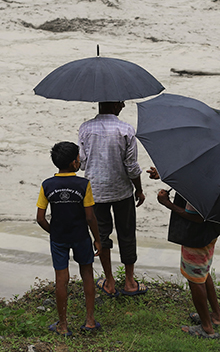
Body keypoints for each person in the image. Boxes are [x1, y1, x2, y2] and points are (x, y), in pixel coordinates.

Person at [149, 167, 220, 339]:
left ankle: (207, 328)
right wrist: (163, 176)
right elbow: (186, 178)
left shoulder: (198, 186)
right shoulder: (212, 174)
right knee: (203, 272)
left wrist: (167, 203)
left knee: (195, 279)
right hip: (209, 233)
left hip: (196, 237)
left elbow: (195, 217)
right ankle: (216, 316)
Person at [78, 101, 147, 297]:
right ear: (115, 105)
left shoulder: (85, 128)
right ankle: (129, 281)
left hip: (96, 192)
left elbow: (82, 164)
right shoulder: (126, 129)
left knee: (101, 236)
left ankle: (109, 280)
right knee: (127, 233)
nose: (124, 105)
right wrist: (139, 189)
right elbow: (131, 166)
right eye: (121, 102)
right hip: (122, 191)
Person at [36, 141, 102, 337]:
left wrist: (54, 232)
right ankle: (89, 321)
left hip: (59, 237)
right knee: (87, 275)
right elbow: (90, 216)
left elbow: (40, 218)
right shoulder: (84, 184)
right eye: (79, 158)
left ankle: (63, 325)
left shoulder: (47, 185)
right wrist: (97, 239)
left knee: (61, 279)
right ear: (74, 163)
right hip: (81, 236)